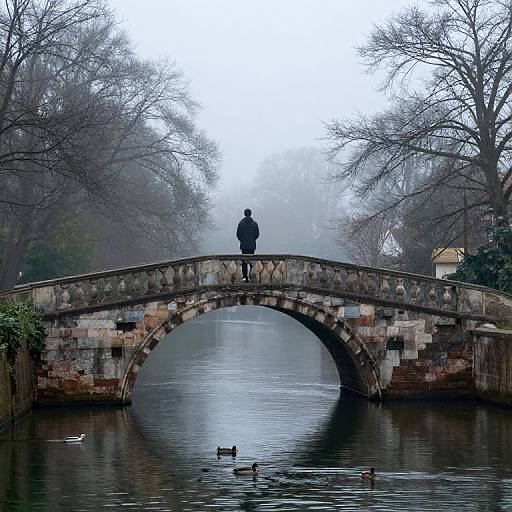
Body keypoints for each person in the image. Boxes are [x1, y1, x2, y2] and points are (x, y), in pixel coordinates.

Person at [236, 208, 259, 282]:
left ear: (244, 214)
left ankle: (245, 277)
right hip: (252, 245)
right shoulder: (254, 224)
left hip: (244, 245)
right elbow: (257, 234)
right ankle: (252, 276)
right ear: (250, 214)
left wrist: (242, 240)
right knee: (252, 261)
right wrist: (253, 240)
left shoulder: (241, 224)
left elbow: (238, 234)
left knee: (244, 262)